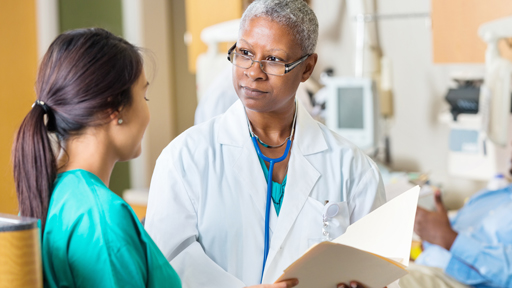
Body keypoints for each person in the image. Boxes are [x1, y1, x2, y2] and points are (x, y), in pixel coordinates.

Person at [145, 0, 386, 287]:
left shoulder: (353, 168)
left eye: (273, 59)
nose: (253, 71)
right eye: (245, 53)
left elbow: (379, 271)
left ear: (307, 68)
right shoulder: (184, 158)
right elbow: (166, 266)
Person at [12, 28, 182, 288]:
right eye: (143, 95)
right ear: (114, 107)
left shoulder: (53, 194)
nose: (147, 111)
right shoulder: (103, 219)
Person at [399, 186, 512, 288]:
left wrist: (448, 238)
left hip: (460, 281)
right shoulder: (490, 194)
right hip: (422, 265)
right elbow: (441, 234)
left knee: (391, 281)